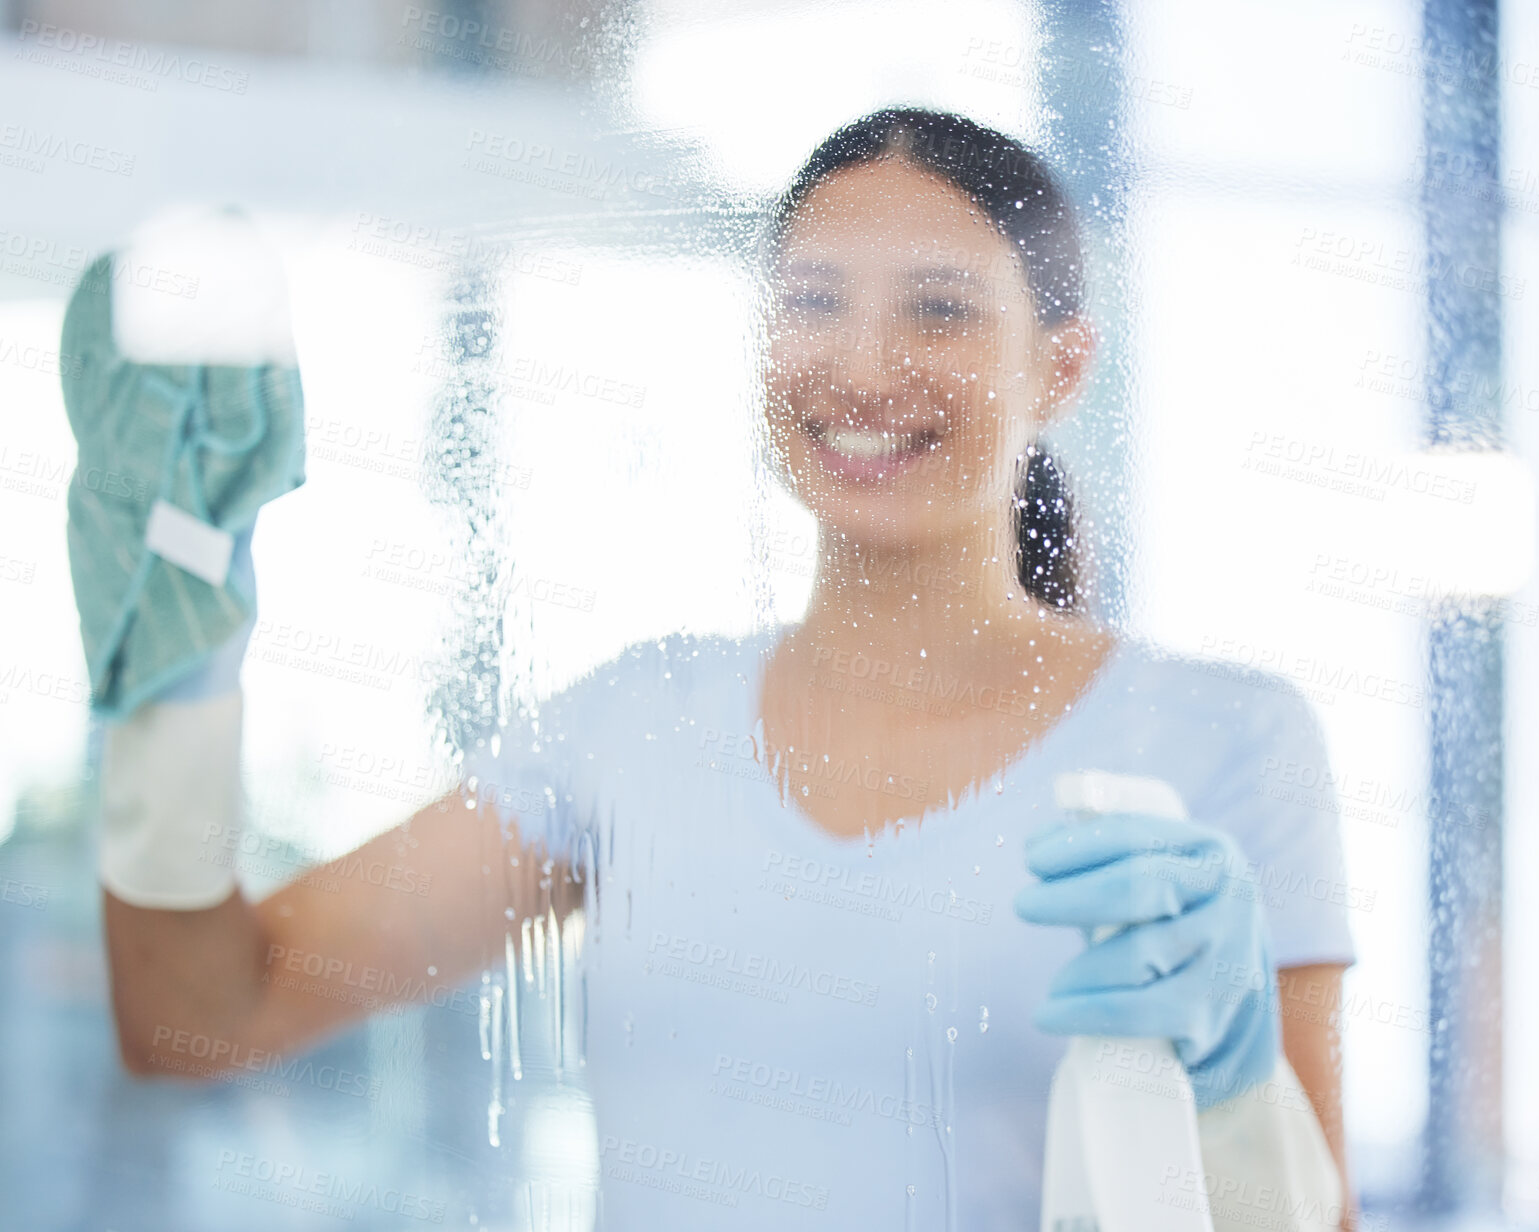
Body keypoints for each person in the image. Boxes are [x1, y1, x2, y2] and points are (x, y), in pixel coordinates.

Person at [91, 109, 1358, 1229]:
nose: (861, 365)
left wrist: (1238, 1086)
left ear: (1060, 366)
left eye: (939, 306)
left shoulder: (1222, 739)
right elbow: (203, 1014)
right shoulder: (633, 728)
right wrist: (175, 677)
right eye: (813, 300)